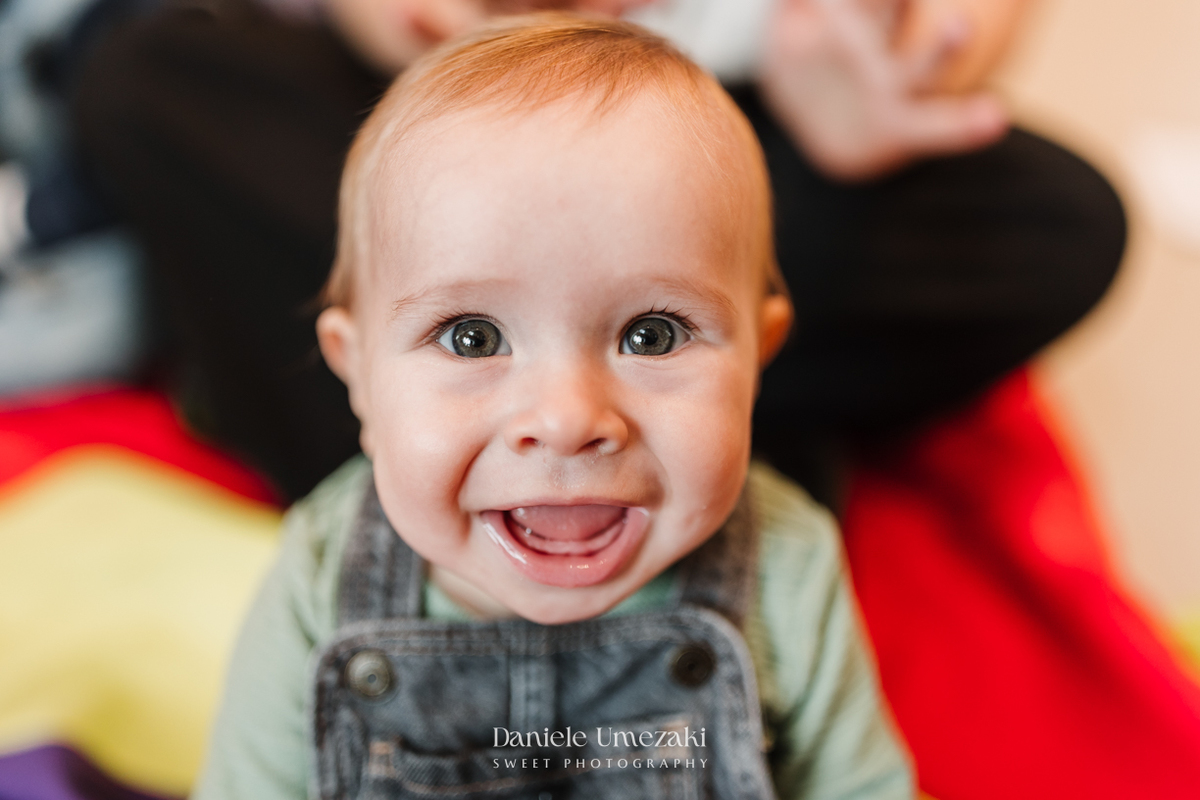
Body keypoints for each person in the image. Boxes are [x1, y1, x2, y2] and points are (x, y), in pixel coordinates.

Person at [193, 15, 914, 800]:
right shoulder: (318, 580)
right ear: (357, 374)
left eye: (651, 335)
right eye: (472, 338)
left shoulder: (786, 568)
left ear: (757, 356)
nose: (568, 420)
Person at [74, 0, 1125, 504]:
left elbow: (940, 33)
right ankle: (684, 398)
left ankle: (652, 383)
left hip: (677, 124)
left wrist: (903, 65)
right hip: (386, 122)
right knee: (151, 77)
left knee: (1057, 219)